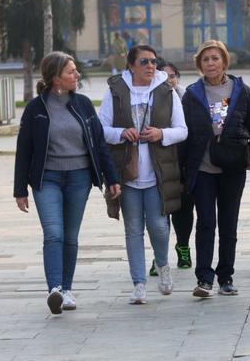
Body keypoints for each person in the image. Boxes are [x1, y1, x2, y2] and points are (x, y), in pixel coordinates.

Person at [14, 52, 121, 315]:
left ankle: (67, 289)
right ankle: (55, 288)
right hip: (46, 178)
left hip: (79, 177)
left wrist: (112, 178)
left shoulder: (83, 104)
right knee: (54, 233)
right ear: (55, 77)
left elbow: (99, 144)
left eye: (76, 70)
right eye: (71, 71)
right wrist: (20, 189)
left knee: (70, 236)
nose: (77, 75)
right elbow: (24, 150)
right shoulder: (36, 108)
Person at [99, 45, 188, 305]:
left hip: (158, 173)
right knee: (133, 229)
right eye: (144, 62)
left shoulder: (166, 90)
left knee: (159, 226)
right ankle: (138, 283)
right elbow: (101, 128)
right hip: (128, 173)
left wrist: (161, 134)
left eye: (153, 62)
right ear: (131, 66)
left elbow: (182, 130)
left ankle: (163, 265)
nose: (151, 66)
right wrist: (120, 133)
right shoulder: (115, 91)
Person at [180, 40, 250, 297]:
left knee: (228, 224)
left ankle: (226, 277)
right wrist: (182, 170)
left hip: (232, 166)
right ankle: (204, 278)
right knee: (206, 222)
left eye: (215, 58)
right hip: (203, 168)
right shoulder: (192, 94)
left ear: (224, 61)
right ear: (199, 65)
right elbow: (184, 134)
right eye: (205, 59)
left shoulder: (242, 91)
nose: (211, 63)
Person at [149, 60, 191, 277]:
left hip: (184, 163)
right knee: (159, 213)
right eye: (163, 76)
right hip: (159, 164)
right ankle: (159, 256)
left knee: (184, 210)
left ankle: (183, 246)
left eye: (172, 76)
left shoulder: (188, 99)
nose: (168, 81)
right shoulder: (149, 100)